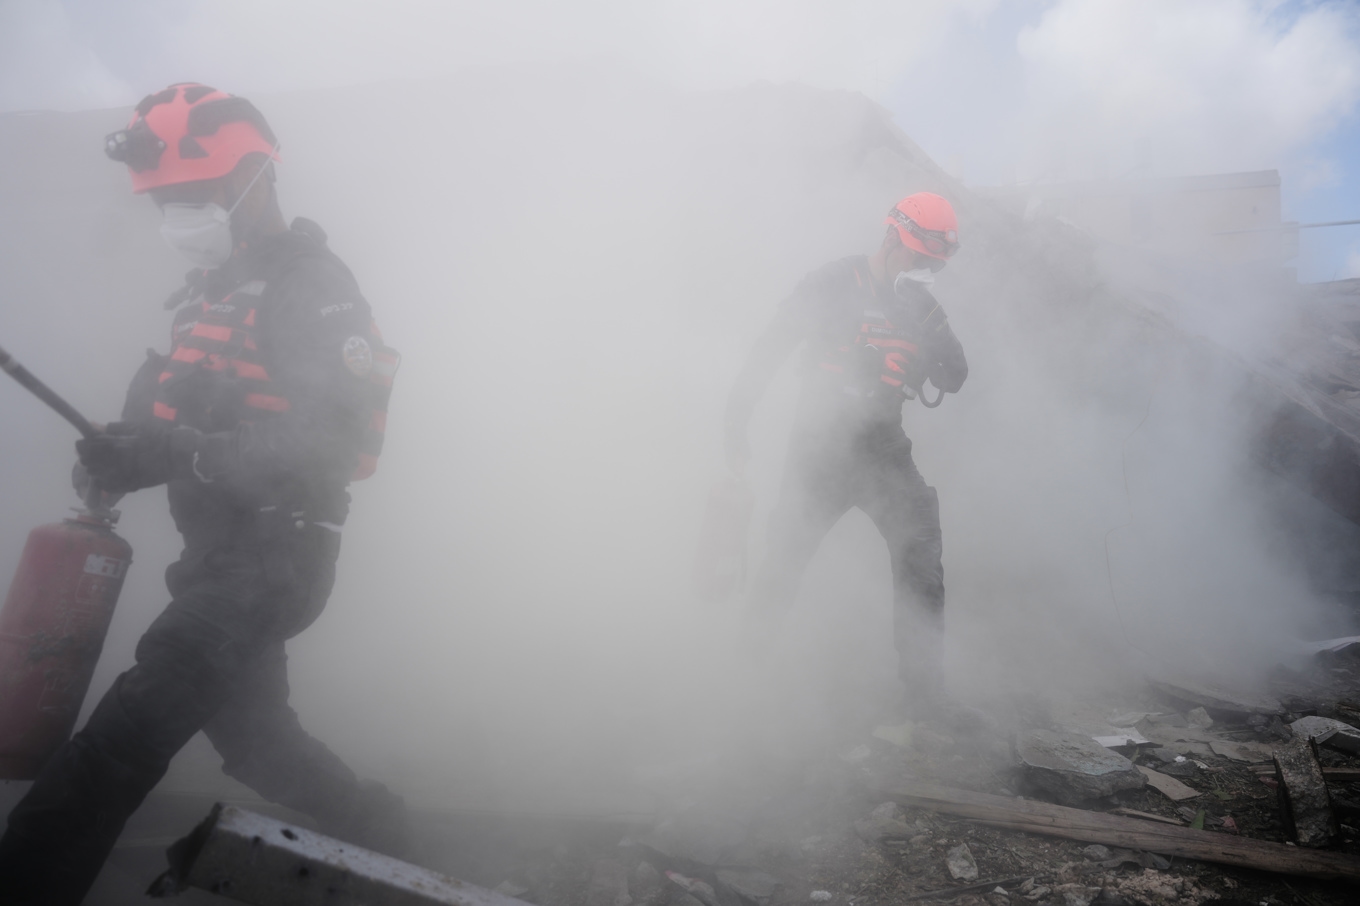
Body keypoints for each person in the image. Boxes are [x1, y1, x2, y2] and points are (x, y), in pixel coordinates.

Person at [0, 82, 404, 904]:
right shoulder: (209, 292)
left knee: (129, 727)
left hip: (279, 554)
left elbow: (334, 442)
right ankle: (388, 832)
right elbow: (185, 417)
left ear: (255, 176)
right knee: (260, 745)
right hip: (219, 558)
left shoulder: (315, 287)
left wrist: (178, 450)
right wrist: (124, 456)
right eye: (165, 200)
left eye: (191, 195)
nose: (176, 214)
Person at [726, 192, 967, 718]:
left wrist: (925, 341)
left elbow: (957, 374)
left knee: (922, 556)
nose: (925, 269)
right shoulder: (833, 281)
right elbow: (769, 348)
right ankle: (739, 684)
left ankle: (928, 699)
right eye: (919, 256)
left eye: (933, 264)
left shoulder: (923, 306)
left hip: (884, 449)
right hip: (819, 450)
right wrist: (736, 424)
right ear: (891, 238)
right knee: (782, 564)